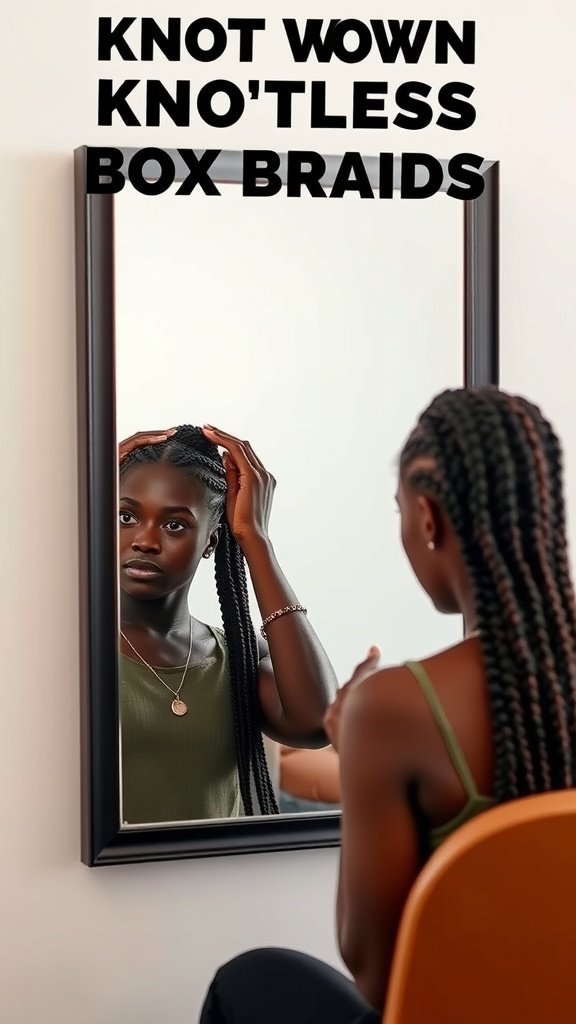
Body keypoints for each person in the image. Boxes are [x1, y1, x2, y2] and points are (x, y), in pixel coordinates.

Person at [199, 387, 576, 1022]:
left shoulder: (397, 709)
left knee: (246, 980)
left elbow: (379, 976)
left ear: (427, 518)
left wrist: (359, 750)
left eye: (398, 511)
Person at [118, 423, 337, 824]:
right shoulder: (68, 649)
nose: (144, 540)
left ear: (212, 540)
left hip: (223, 885)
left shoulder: (238, 656)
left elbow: (315, 721)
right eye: (126, 515)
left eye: (174, 524)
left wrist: (256, 539)